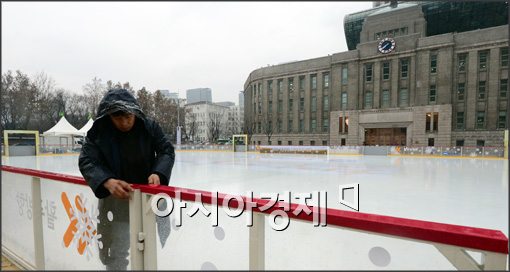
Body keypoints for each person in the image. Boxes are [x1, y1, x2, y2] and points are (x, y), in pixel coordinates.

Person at [79, 88, 175, 270]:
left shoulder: (149, 126)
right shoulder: (99, 132)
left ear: (135, 112)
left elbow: (166, 150)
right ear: (109, 117)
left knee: (148, 249)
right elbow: (86, 160)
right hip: (117, 204)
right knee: (117, 252)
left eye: (128, 117)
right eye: (118, 118)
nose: (124, 122)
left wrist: (158, 173)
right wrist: (107, 181)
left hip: (148, 202)